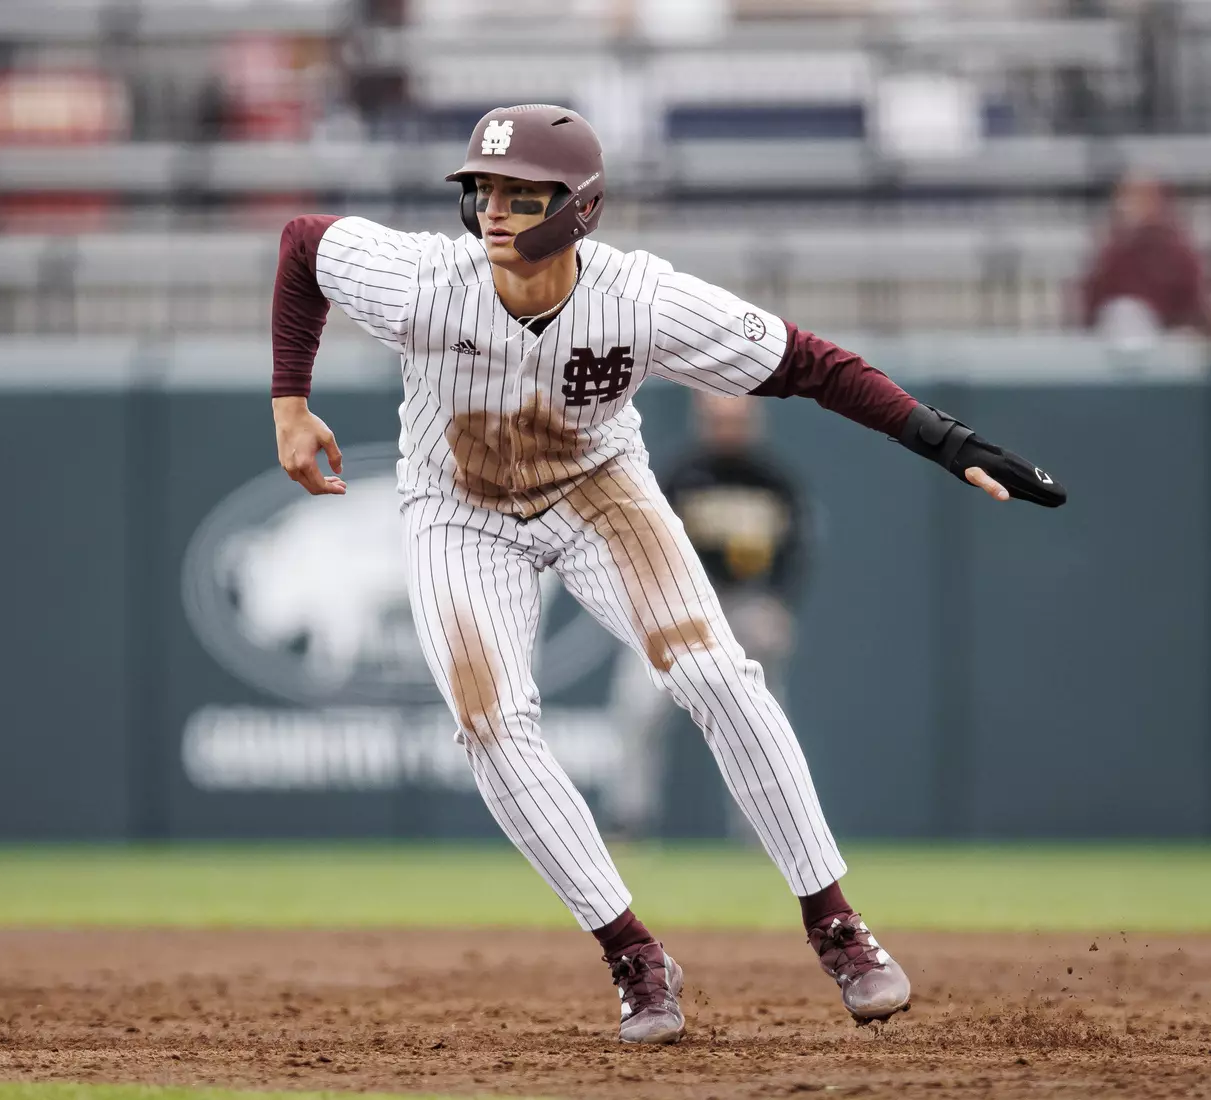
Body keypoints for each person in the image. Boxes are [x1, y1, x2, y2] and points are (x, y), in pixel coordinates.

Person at [269, 104, 1065, 1045]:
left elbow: (808, 362)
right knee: (490, 726)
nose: (493, 212)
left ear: (579, 208)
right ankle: (633, 954)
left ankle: (836, 925)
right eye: (483, 190)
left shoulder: (637, 298)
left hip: (600, 492)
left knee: (718, 675)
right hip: (458, 511)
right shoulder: (422, 281)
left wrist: (945, 440)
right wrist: (289, 401)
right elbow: (303, 245)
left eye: (522, 195)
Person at [604, 392, 810, 840]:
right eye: (718, 420)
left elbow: (795, 552)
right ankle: (629, 819)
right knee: (638, 708)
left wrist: (780, 603)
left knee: (759, 720)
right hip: (684, 603)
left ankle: (768, 827)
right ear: (702, 421)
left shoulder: (772, 480)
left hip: (746, 602)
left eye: (736, 420)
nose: (727, 430)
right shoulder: (681, 475)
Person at [1082, 172, 1211, 350]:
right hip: (1120, 341)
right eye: (1127, 197)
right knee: (1125, 312)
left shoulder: (1179, 250)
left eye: (1140, 197)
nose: (1127, 205)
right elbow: (1092, 306)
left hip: (1171, 342)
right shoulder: (1112, 251)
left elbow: (1197, 304)